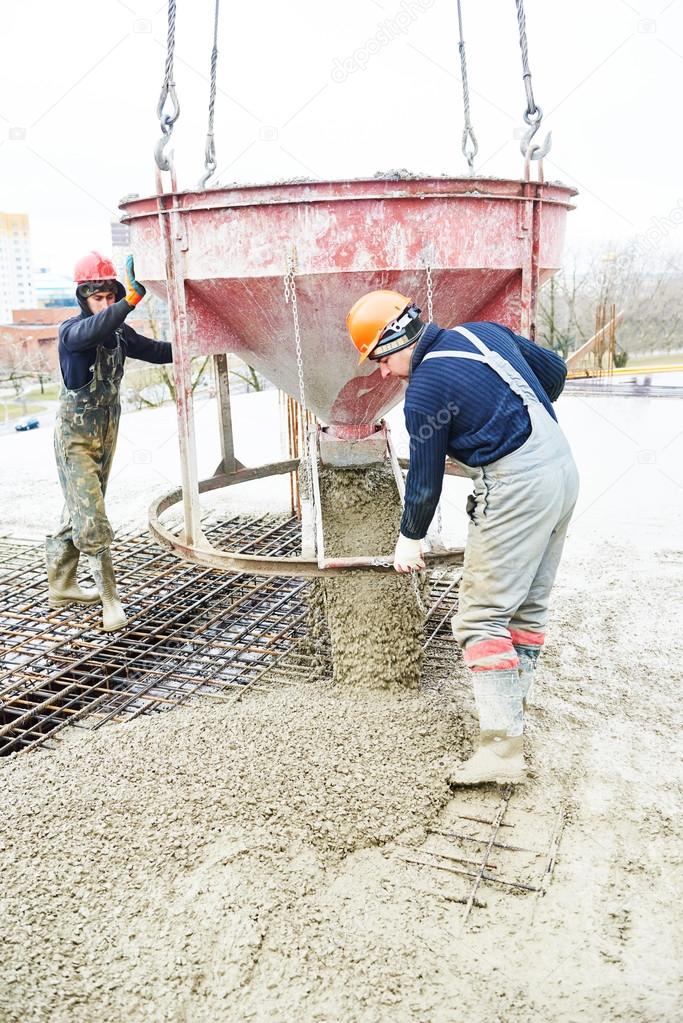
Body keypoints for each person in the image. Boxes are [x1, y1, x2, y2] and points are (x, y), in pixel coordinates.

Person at [346, 290, 579, 786]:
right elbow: (554, 373)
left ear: (399, 339)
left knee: (479, 618)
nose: (383, 373)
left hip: (516, 486)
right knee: (526, 609)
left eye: (381, 360)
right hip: (562, 470)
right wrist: (501, 409)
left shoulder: (426, 389)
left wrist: (409, 539)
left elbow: (424, 479)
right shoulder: (482, 330)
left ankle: (500, 751)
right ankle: (511, 719)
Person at [45, 251, 172, 632]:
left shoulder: (119, 334)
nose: (105, 304)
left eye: (110, 296)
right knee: (94, 518)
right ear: (83, 299)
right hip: (75, 440)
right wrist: (131, 301)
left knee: (82, 509)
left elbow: (156, 351)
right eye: (96, 298)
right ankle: (110, 601)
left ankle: (61, 583)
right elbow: (92, 330)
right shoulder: (72, 333)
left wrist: (203, 343)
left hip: (106, 433)